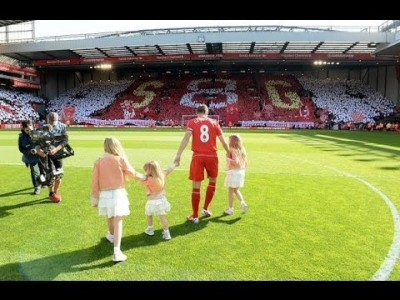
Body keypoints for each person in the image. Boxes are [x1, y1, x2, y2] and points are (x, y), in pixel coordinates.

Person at [91, 137, 145, 262]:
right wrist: (144, 177)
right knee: (118, 221)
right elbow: (133, 173)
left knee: (110, 217)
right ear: (116, 146)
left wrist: (94, 197)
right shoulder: (120, 159)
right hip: (117, 192)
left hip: (104, 194)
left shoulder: (98, 161)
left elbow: (95, 182)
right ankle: (117, 251)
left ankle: (111, 236)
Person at [174, 104, 230, 223]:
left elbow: (185, 139)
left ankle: (195, 216)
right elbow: (223, 140)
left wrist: (178, 155)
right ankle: (205, 209)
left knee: (196, 186)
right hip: (212, 156)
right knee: (212, 182)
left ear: (196, 112)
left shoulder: (192, 122)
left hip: (198, 156)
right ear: (207, 112)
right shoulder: (214, 122)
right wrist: (229, 152)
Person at [139, 160, 176, 240]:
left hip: (152, 201)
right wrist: (175, 164)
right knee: (163, 217)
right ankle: (167, 233)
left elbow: (140, 182)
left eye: (146, 170)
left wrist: (145, 176)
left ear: (149, 170)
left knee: (149, 215)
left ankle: (150, 229)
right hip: (162, 200)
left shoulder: (148, 179)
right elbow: (169, 169)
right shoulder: (161, 175)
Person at [43, 112, 68, 203]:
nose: (52, 125)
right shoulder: (44, 127)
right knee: (51, 175)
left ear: (58, 120)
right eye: (51, 123)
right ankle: (51, 193)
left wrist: (56, 149)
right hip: (48, 156)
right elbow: (41, 141)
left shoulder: (63, 127)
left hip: (58, 155)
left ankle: (55, 191)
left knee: (59, 175)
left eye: (54, 123)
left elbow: (65, 141)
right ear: (47, 120)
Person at [223, 134, 248, 215]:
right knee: (236, 190)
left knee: (230, 191)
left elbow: (236, 162)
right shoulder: (242, 149)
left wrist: (228, 158)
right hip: (241, 172)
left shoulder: (232, 149)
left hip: (234, 172)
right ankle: (243, 203)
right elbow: (245, 163)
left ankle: (230, 209)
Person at [18, 120, 44, 195]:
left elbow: (43, 144)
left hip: (41, 155)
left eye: (30, 129)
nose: (29, 131)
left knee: (43, 171)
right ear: (23, 129)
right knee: (34, 171)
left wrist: (38, 149)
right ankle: (37, 187)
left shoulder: (38, 134)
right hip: (31, 157)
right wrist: (29, 152)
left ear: (33, 127)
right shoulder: (21, 137)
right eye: (27, 130)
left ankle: (43, 182)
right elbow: (21, 149)